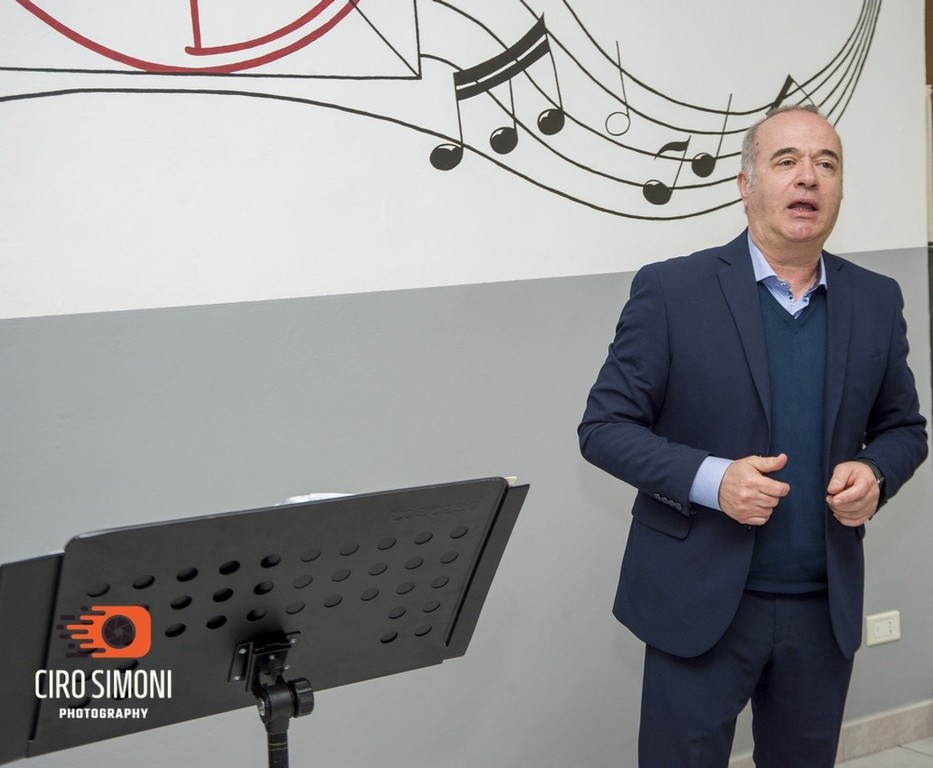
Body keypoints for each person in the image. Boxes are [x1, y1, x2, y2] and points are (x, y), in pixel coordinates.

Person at [578, 105, 928, 767]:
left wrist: (876, 473)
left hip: (821, 609)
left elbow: (903, 428)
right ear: (745, 184)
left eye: (826, 164)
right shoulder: (671, 290)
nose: (808, 177)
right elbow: (603, 428)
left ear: (839, 189)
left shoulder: (876, 300)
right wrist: (712, 481)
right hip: (697, 602)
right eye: (786, 161)